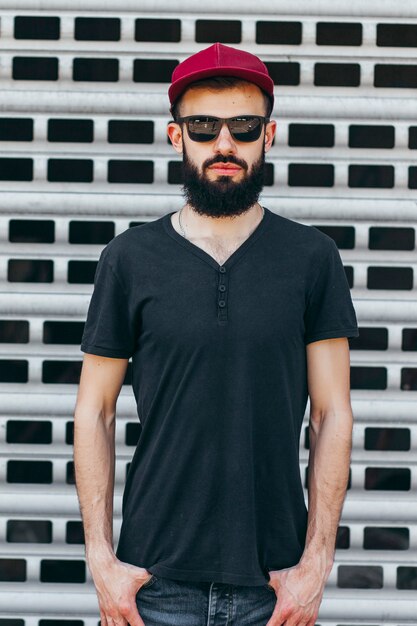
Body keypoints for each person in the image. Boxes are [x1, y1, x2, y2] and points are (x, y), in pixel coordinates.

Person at [74, 42, 359, 626]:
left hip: (275, 587)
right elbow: (94, 412)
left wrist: (315, 565)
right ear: (176, 136)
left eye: (243, 126)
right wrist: (102, 562)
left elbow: (333, 416)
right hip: (153, 584)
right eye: (203, 127)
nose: (223, 144)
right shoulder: (129, 259)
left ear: (269, 135)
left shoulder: (312, 258)